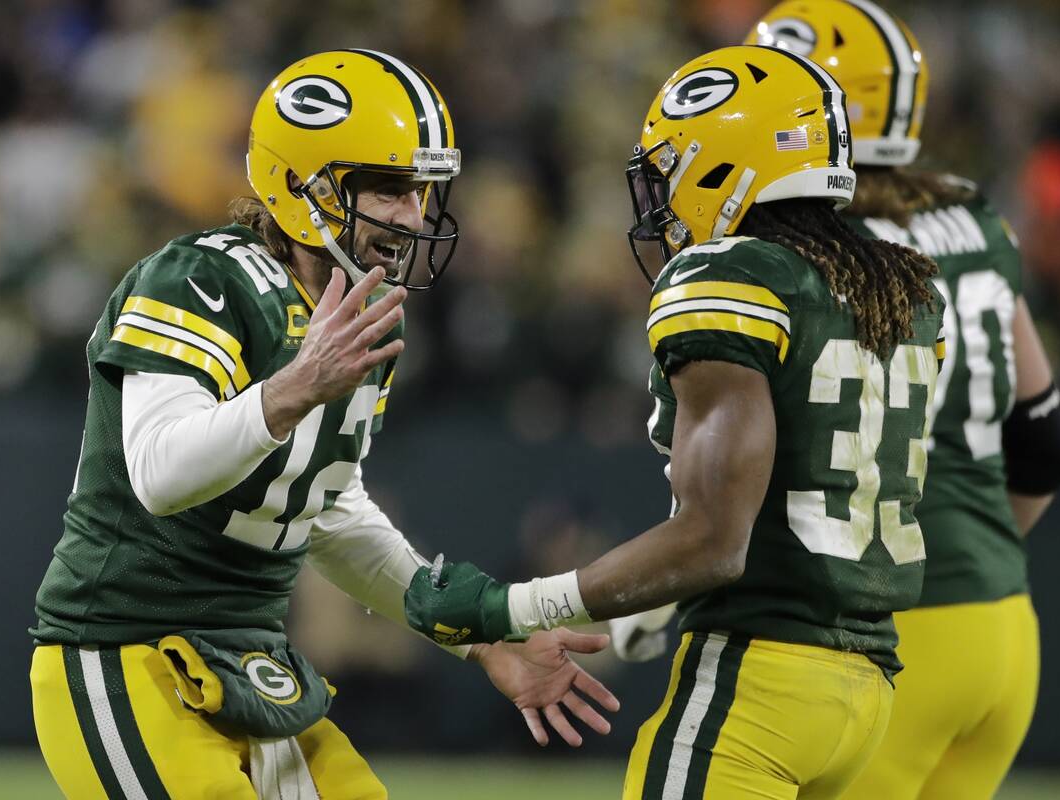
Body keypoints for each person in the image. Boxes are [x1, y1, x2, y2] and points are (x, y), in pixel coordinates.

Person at [29, 50, 617, 800]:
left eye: (422, 192)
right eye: (390, 189)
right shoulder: (200, 279)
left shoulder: (360, 315)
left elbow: (326, 510)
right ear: (301, 184)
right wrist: (294, 388)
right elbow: (159, 474)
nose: (414, 215)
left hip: (250, 660)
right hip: (123, 653)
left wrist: (478, 639)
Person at [405, 44, 945, 799]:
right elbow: (786, 498)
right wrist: (641, 615)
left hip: (756, 683)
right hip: (864, 687)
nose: (658, 199)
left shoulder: (732, 276)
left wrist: (508, 607)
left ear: (722, 165)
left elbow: (714, 541)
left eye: (669, 170)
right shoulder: (899, 288)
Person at [745, 3, 1060, 798]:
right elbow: (1045, 444)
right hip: (1003, 627)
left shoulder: (814, 244)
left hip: (892, 633)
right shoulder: (976, 215)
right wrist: (973, 556)